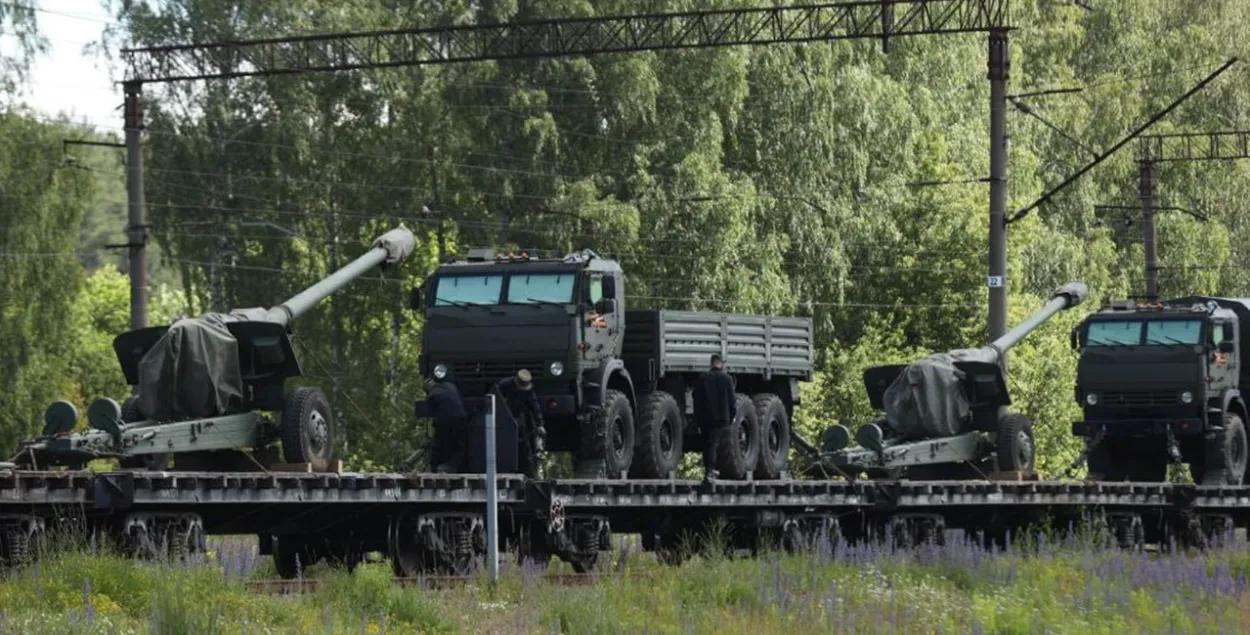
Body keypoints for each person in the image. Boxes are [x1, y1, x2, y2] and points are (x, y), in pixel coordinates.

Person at [494, 369, 547, 477]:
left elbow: (534, 406)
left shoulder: (529, 390)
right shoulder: (504, 385)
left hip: (519, 417)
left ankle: (527, 471)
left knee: (524, 444)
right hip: (503, 418)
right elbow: (497, 402)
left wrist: (539, 424)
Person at [693, 353, 736, 482]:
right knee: (719, 444)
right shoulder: (727, 379)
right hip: (723, 418)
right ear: (720, 363)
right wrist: (732, 416)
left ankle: (710, 470)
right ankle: (714, 470)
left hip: (707, 418)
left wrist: (697, 420)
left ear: (711, 363)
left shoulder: (703, 378)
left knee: (709, 444)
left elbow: (697, 400)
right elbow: (732, 401)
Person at [424, 378, 468, 473]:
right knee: (459, 444)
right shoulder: (450, 385)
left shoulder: (432, 394)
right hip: (461, 417)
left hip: (446, 420)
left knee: (440, 443)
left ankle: (439, 466)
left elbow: (432, 413)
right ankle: (454, 465)